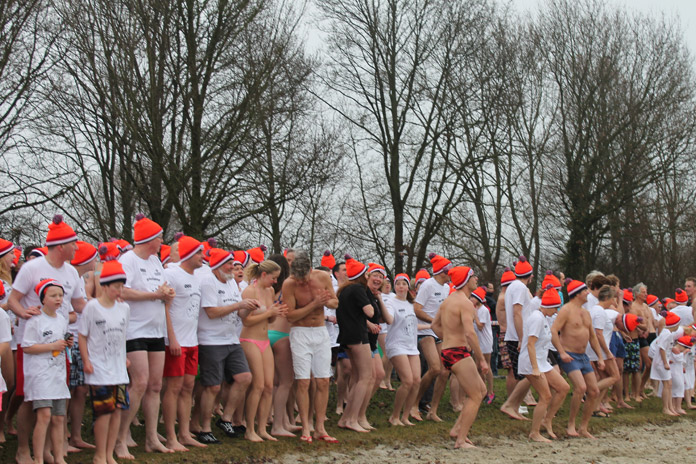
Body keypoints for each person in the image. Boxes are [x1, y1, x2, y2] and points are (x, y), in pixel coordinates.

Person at [8, 216, 84, 464]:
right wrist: (24, 314)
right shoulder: (33, 268)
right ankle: (23, 450)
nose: (77, 247)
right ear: (61, 245)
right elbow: (13, 300)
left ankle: (50, 452)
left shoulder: (72, 271)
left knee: (56, 401)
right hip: (32, 345)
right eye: (74, 243)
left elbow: (78, 306)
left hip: (60, 347)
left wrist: (107, 304)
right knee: (30, 399)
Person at [115, 214, 174, 457]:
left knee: (155, 385)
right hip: (134, 329)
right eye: (159, 237)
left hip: (155, 329)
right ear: (149, 239)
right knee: (138, 383)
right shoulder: (127, 259)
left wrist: (166, 292)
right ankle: (119, 439)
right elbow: (122, 291)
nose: (162, 241)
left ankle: (151, 438)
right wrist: (154, 295)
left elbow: (161, 289)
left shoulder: (155, 261)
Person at [197, 248, 257, 444]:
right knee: (212, 386)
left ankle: (226, 419)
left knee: (245, 377)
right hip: (211, 340)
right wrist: (239, 306)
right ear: (216, 265)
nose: (233, 267)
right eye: (229, 264)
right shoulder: (208, 282)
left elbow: (239, 314)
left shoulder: (231, 283)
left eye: (234, 264)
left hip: (232, 339)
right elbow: (212, 312)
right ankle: (204, 428)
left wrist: (248, 309)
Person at [78, 260, 131, 464]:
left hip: (119, 369)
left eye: (121, 287)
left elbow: (123, 336)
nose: (119, 291)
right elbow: (83, 336)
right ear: (105, 286)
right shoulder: (92, 308)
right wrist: (86, 360)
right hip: (99, 368)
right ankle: (99, 455)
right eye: (116, 287)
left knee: (118, 409)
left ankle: (109, 454)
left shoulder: (124, 308)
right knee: (104, 412)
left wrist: (124, 357)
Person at [283, 250, 338, 443]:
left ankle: (320, 427)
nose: (301, 283)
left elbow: (335, 301)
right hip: (300, 332)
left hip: (321, 332)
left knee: (323, 380)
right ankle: (306, 426)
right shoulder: (289, 284)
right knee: (303, 381)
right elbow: (290, 316)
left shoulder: (322, 277)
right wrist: (314, 303)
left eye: (303, 279)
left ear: (310, 270)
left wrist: (325, 301)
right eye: (297, 279)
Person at [431, 266, 487, 449]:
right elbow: (471, 334)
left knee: (482, 390)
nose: (476, 279)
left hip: (449, 351)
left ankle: (457, 429)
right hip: (457, 352)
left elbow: (434, 325)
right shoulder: (465, 303)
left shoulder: (447, 301)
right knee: (476, 395)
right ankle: (461, 440)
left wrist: (447, 339)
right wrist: (482, 359)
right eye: (473, 276)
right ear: (465, 280)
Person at [161, 236, 206, 451]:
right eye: (199, 253)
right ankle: (171, 437)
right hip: (176, 341)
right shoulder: (171, 273)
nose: (202, 257)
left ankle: (184, 433)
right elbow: (164, 307)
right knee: (174, 387)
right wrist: (172, 338)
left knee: (188, 386)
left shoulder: (196, 277)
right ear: (188, 254)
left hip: (192, 341)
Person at [22, 279, 72, 464]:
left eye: (60, 295)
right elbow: (27, 347)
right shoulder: (35, 320)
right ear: (43, 299)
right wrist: (52, 346)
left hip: (58, 375)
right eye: (53, 296)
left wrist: (67, 344)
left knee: (59, 418)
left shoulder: (61, 319)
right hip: (41, 374)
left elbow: (62, 342)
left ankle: (59, 457)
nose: (58, 299)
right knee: (44, 416)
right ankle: (38, 459)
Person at [551, 279, 604, 439]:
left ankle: (584, 427)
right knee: (580, 388)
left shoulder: (586, 312)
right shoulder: (566, 310)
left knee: (594, 391)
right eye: (585, 291)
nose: (588, 293)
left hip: (583, 356)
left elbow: (593, 337)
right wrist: (561, 352)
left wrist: (600, 357)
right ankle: (571, 425)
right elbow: (554, 331)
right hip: (570, 354)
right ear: (577, 294)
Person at [240, 260, 286, 442]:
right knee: (258, 385)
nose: (275, 282)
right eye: (273, 278)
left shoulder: (270, 291)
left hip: (264, 339)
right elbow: (246, 320)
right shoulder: (250, 291)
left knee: (268, 386)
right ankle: (249, 429)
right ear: (264, 275)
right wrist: (268, 313)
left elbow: (269, 320)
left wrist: (276, 313)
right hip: (249, 339)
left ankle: (262, 428)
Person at [518, 285, 569, 442]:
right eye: (556, 308)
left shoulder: (544, 318)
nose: (557, 311)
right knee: (545, 396)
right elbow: (530, 344)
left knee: (563, 388)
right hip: (531, 362)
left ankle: (547, 420)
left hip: (542, 361)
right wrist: (534, 368)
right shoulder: (537, 318)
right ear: (549, 306)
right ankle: (534, 432)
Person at [336, 255, 374, 433]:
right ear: (361, 275)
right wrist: (369, 297)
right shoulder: (358, 289)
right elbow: (370, 312)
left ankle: (345, 418)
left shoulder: (344, 290)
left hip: (346, 337)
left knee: (358, 377)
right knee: (365, 377)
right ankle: (352, 418)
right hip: (357, 336)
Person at [413, 252, 452, 422]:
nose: (450, 274)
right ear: (441, 272)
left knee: (445, 371)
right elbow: (417, 309)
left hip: (439, 330)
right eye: (448, 271)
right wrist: (433, 321)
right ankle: (414, 404)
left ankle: (432, 409)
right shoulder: (428, 285)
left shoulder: (446, 288)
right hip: (426, 330)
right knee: (435, 368)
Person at [384, 274, 425, 425]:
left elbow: (413, 325)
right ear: (395, 286)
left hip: (411, 346)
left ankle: (405, 416)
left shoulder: (411, 304)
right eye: (398, 284)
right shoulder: (390, 302)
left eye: (404, 284)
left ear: (408, 287)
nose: (401, 286)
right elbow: (389, 318)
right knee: (407, 381)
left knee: (416, 381)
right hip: (396, 344)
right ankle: (394, 416)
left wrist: (431, 326)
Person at [500, 257, 534, 421]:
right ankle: (511, 405)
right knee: (527, 374)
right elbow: (517, 313)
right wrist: (522, 338)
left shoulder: (513, 286)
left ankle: (513, 406)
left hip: (514, 336)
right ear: (530, 275)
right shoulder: (520, 287)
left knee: (517, 373)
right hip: (517, 336)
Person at [649, 311, 682, 416]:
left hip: (664, 361)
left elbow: (666, 350)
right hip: (661, 363)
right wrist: (665, 362)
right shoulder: (666, 334)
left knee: (669, 384)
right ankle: (665, 408)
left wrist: (668, 360)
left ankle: (670, 407)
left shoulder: (668, 334)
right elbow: (662, 349)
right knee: (667, 385)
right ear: (674, 324)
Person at [471, 287, 494, 404]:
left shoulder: (483, 310)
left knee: (486, 365)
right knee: (478, 366)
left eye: (473, 298)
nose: (470, 299)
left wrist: (474, 314)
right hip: (477, 340)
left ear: (478, 299)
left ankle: (490, 391)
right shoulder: (473, 309)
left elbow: (480, 326)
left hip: (485, 341)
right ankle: (481, 389)